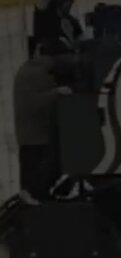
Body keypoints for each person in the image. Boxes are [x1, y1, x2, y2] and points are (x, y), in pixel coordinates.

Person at [13, 40, 76, 202]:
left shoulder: (29, 69)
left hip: (28, 131)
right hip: (38, 133)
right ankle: (36, 195)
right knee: (43, 168)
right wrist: (58, 92)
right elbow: (37, 102)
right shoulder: (40, 74)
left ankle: (32, 194)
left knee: (31, 167)